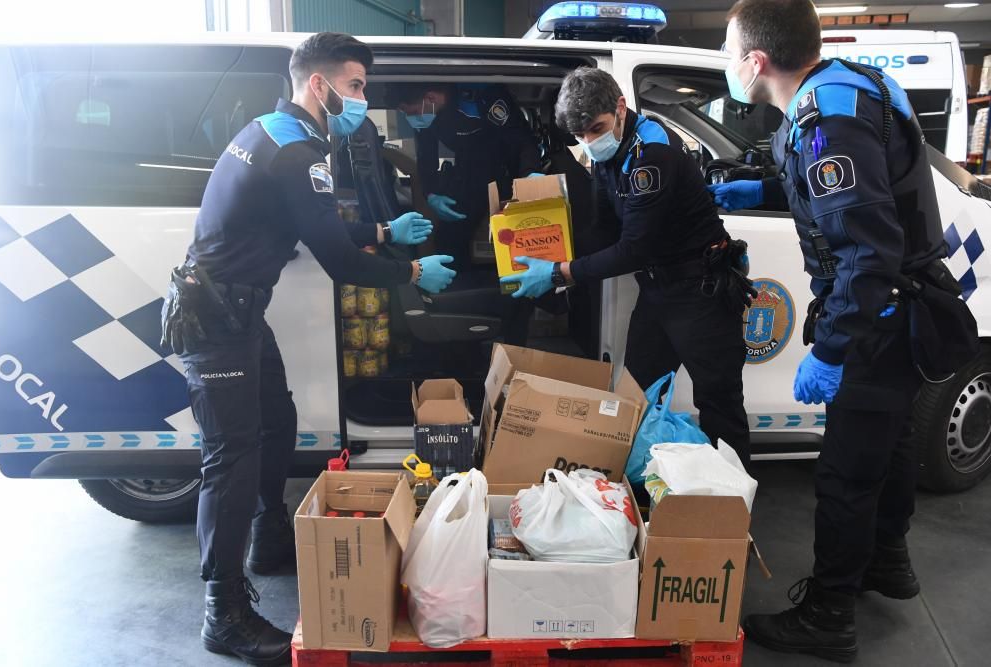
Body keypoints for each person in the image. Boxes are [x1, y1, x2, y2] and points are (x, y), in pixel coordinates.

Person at [159, 33, 456, 666]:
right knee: (230, 458)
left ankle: (267, 538)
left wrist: (383, 228)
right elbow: (340, 260)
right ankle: (225, 613)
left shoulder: (271, 130)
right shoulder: (299, 151)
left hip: (234, 310)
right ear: (317, 85)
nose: (361, 99)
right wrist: (410, 272)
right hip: (218, 319)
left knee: (279, 421)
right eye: (353, 87)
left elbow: (310, 221)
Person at [709, 1, 952, 661]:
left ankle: (829, 613)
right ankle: (888, 561)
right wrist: (758, 186)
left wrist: (833, 348)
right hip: (903, 308)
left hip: (880, 313)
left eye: (731, 53)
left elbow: (866, 254)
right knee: (891, 441)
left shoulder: (827, 117)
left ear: (756, 61)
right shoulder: (847, 87)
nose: (730, 66)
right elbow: (841, 186)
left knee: (845, 468)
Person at [503, 66, 753, 467]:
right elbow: (603, 230)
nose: (590, 142)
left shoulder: (652, 155)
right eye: (581, 136)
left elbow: (633, 248)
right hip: (658, 293)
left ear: (620, 107)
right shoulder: (611, 152)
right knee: (637, 394)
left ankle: (730, 516)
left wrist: (559, 273)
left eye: (596, 129)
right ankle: (638, 490)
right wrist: (551, 248)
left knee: (719, 406)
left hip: (700, 293)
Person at [389, 83, 544, 267]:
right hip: (469, 169)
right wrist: (431, 193)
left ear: (431, 98)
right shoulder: (427, 115)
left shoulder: (482, 98)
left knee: (517, 234)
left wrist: (530, 173)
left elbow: (521, 139)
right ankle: (456, 282)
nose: (409, 118)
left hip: (508, 166)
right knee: (449, 238)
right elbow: (426, 156)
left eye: (411, 112)